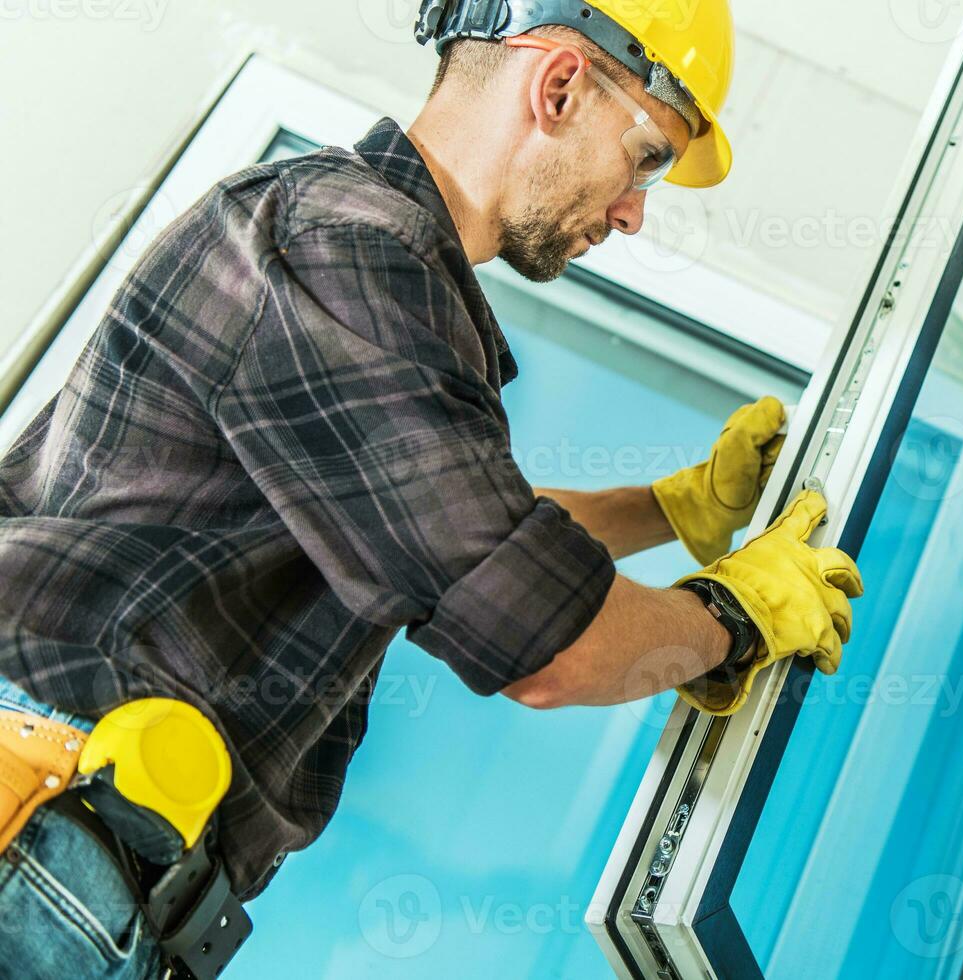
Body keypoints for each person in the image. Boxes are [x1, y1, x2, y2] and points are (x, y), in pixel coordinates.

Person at [0, 1, 861, 975]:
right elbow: (547, 641)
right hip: (55, 826)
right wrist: (733, 617)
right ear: (562, 84)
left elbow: (470, 533)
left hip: (95, 849)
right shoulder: (347, 243)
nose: (634, 211)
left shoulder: (349, 242)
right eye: (650, 159)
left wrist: (673, 510)